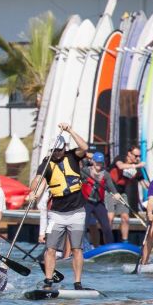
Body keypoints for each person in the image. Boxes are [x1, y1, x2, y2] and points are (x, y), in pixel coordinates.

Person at [28, 123, 90, 290]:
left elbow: (85, 146)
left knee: (77, 248)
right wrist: (34, 190)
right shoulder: (46, 162)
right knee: (50, 248)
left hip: (77, 212)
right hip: (56, 214)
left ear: (64, 148)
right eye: (54, 151)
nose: (57, 153)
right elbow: (38, 178)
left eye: (59, 150)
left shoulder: (73, 155)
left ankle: (77, 283)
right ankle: (48, 281)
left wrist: (70, 130)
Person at [108, 144, 148, 242]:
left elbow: (144, 184)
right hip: (110, 191)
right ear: (129, 154)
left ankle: (125, 241)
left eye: (139, 156)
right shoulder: (120, 158)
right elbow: (121, 166)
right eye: (136, 156)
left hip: (121, 193)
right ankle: (107, 240)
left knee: (125, 217)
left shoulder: (137, 170)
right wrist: (137, 165)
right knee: (110, 217)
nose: (137, 158)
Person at [81, 152, 118, 246]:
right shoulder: (85, 171)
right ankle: (81, 247)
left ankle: (110, 247)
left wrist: (116, 193)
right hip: (86, 203)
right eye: (97, 162)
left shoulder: (105, 174)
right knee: (83, 226)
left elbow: (111, 186)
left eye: (101, 163)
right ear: (93, 161)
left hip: (98, 203)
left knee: (106, 227)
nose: (99, 165)